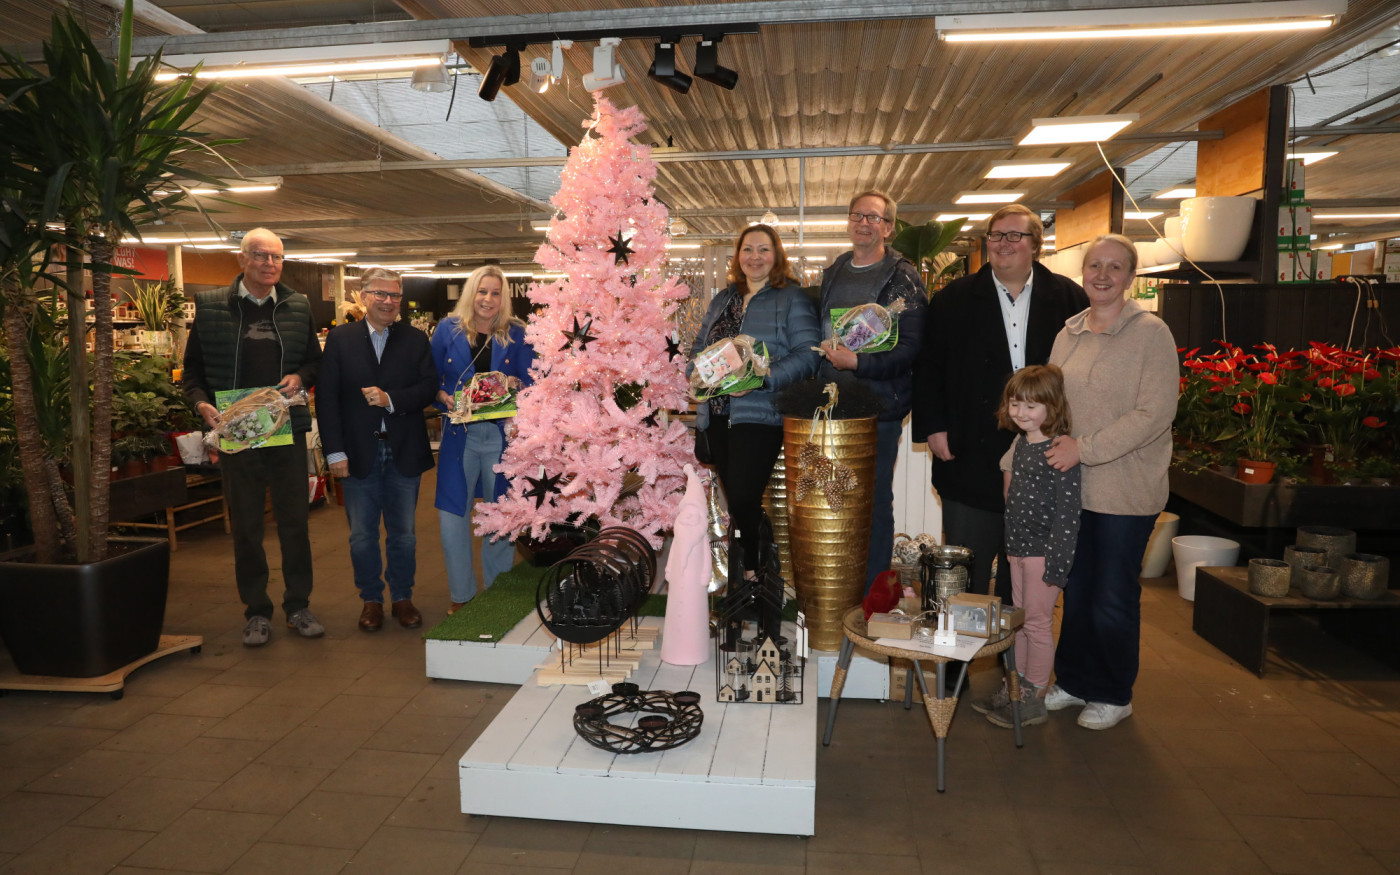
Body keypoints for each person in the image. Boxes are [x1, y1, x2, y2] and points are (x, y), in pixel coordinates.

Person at [912, 204, 1087, 603]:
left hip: (1043, 458)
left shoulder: (1069, 298)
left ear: (1036, 245)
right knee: (965, 572)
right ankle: (960, 663)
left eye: (1014, 236)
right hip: (968, 448)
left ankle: (1019, 659)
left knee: (1026, 578)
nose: (1003, 243)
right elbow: (929, 368)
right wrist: (934, 426)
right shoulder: (952, 299)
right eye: (995, 235)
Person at [1042, 233, 1178, 730]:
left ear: (1130, 277)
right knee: (1076, 590)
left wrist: (1087, 448)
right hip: (1073, 488)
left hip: (1126, 489)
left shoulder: (1151, 333)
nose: (1102, 275)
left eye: (1114, 267)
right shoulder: (1068, 332)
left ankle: (1114, 692)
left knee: (1112, 595)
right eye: (1094, 265)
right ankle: (1075, 681)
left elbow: (1155, 413)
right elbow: (1051, 402)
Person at [182, 227, 323, 647]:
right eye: (260, 256)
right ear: (241, 259)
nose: (270, 264)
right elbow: (192, 373)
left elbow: (315, 363)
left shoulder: (298, 306)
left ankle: (298, 605)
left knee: (295, 523)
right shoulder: (210, 307)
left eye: (277, 257)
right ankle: (256, 611)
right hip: (238, 432)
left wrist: (301, 376)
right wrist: (201, 404)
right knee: (246, 526)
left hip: (284, 430)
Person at [692, 225, 821, 575]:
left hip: (760, 414)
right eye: (748, 249)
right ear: (738, 256)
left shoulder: (791, 299)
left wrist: (763, 378)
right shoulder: (723, 299)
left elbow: (809, 354)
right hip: (717, 415)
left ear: (777, 256)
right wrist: (700, 372)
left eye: (764, 250)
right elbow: (698, 349)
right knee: (737, 502)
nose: (755, 257)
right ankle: (755, 573)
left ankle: (756, 572)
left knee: (746, 498)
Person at [815, 190, 927, 592]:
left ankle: (874, 592)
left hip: (879, 410)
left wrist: (859, 363)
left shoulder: (902, 277)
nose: (864, 223)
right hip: (833, 407)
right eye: (857, 216)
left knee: (875, 503)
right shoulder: (835, 271)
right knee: (836, 500)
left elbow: (910, 350)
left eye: (874, 218)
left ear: (889, 228)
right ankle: (841, 586)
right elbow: (824, 332)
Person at [317, 268, 437, 632]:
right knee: (362, 535)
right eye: (380, 294)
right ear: (364, 296)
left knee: (404, 533)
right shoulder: (341, 339)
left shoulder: (415, 340)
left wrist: (391, 400)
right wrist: (335, 453)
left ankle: (402, 597)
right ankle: (371, 599)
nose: (388, 301)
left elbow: (429, 387)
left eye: (395, 295)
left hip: (404, 450)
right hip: (356, 454)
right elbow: (327, 399)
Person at [973, 364, 1080, 730]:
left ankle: (1034, 697)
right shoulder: (1020, 444)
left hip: (1042, 554)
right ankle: (1014, 688)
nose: (1022, 413)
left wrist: (1057, 565)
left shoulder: (1058, 451)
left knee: (1036, 624)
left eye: (1032, 406)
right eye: (1016, 404)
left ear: (1052, 407)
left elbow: (1068, 515)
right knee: (1018, 622)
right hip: (1017, 549)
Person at [433, 265, 535, 614]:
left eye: (495, 293)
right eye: (482, 291)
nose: (488, 300)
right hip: (458, 435)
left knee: (501, 515)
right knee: (452, 517)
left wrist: (517, 385)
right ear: (470, 293)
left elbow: (533, 381)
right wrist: (442, 396)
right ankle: (461, 596)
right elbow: (431, 378)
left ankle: (497, 591)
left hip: (501, 437)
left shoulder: (518, 333)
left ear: (503, 298)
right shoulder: (446, 330)